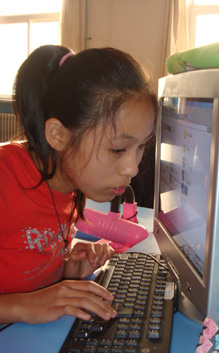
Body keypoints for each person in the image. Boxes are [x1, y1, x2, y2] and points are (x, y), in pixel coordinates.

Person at [0, 45, 157, 325]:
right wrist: (22, 306)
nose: (132, 168)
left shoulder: (70, 181)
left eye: (141, 147)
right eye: (118, 149)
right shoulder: (5, 178)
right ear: (59, 135)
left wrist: (65, 275)